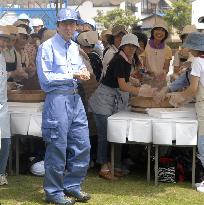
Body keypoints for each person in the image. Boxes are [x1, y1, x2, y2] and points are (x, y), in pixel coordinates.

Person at [36, 8, 91, 205]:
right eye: (65, 23)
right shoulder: (47, 47)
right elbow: (45, 79)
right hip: (57, 99)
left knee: (82, 144)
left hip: (75, 99)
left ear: (76, 26)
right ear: (57, 26)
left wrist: (82, 71)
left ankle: (72, 186)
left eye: (72, 23)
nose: (69, 27)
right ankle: (53, 191)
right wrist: (73, 75)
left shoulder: (75, 47)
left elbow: (78, 70)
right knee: (57, 146)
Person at [89, 33, 157, 180]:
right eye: (129, 45)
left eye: (134, 46)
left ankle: (112, 165)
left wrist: (134, 81)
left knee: (112, 133)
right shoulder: (120, 59)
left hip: (111, 100)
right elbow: (122, 85)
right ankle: (103, 167)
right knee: (104, 135)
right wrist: (141, 91)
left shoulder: (125, 59)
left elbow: (122, 79)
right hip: (103, 100)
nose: (132, 48)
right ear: (123, 46)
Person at [166, 32, 204, 192]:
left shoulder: (197, 62)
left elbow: (193, 89)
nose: (188, 50)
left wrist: (178, 96)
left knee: (203, 144)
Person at [140, 22, 172, 89]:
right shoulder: (145, 45)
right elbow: (141, 64)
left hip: (161, 82)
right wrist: (148, 73)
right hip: (147, 80)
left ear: (165, 34)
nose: (159, 32)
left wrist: (162, 75)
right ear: (152, 32)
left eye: (163, 30)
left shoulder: (167, 49)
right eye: (157, 29)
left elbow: (166, 68)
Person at [0, 26, 11, 186]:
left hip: (3, 105)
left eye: (3, 44)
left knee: (6, 140)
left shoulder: (2, 57)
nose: (2, 47)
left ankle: (1, 173)